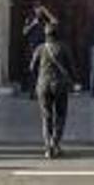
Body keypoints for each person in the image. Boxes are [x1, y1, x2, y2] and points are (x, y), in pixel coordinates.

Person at [29, 23, 76, 159]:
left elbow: (32, 67)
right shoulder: (63, 48)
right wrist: (74, 81)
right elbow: (71, 66)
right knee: (60, 115)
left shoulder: (40, 49)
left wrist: (39, 77)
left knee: (46, 116)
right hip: (60, 85)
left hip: (43, 85)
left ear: (46, 35)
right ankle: (55, 143)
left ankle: (48, 148)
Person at [23, 2, 58, 99]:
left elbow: (55, 22)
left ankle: (43, 92)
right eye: (37, 8)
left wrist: (46, 12)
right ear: (34, 9)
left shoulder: (45, 20)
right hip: (33, 47)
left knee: (43, 69)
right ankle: (32, 92)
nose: (38, 10)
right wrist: (32, 24)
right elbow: (24, 32)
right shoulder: (30, 19)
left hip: (44, 48)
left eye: (40, 8)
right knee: (33, 69)